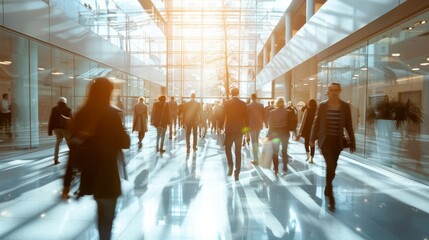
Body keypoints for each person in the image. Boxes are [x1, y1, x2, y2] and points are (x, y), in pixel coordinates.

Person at [62, 77, 130, 240]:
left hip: (90, 173)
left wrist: (67, 182)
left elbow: (74, 148)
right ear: (108, 92)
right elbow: (125, 142)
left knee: (101, 213)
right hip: (107, 172)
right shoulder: (111, 114)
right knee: (108, 218)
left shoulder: (82, 113)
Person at [310, 82, 356, 210]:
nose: (334, 92)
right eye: (331, 90)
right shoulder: (323, 106)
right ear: (328, 92)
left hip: (337, 141)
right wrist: (312, 139)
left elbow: (349, 125)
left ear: (339, 91)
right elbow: (316, 122)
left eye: (336, 90)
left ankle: (328, 185)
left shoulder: (345, 106)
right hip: (325, 141)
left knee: (333, 166)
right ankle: (330, 194)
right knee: (330, 165)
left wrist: (353, 141)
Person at [220, 88, 249, 181]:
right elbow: (246, 119)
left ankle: (230, 165)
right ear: (238, 93)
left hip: (230, 130)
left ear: (231, 93)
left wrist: (220, 126)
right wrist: (246, 131)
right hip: (239, 131)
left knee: (227, 148)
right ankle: (237, 172)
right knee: (238, 151)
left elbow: (223, 115)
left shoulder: (227, 103)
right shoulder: (243, 104)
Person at [267, 97, 290, 175]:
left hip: (275, 134)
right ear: (284, 103)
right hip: (285, 133)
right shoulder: (288, 112)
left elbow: (270, 125)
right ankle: (285, 168)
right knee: (284, 151)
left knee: (275, 152)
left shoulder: (272, 112)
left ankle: (276, 169)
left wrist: (269, 135)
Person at [48, 97, 72, 165]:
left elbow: (51, 119)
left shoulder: (54, 109)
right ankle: (73, 159)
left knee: (57, 144)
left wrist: (50, 130)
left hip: (56, 129)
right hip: (65, 129)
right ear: (65, 102)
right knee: (69, 144)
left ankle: (56, 159)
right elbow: (71, 120)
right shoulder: (68, 109)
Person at [247, 93, 266, 165]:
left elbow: (246, 117)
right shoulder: (261, 105)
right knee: (256, 141)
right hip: (259, 125)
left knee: (253, 141)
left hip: (251, 126)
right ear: (256, 97)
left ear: (251, 98)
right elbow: (264, 116)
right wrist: (264, 123)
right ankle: (256, 157)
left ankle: (256, 159)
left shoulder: (248, 106)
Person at [297, 99, 317, 163]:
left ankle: (307, 155)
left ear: (309, 104)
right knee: (312, 143)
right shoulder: (317, 111)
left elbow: (303, 122)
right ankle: (311, 158)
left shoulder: (306, 110)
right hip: (314, 130)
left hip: (307, 130)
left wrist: (299, 133)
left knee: (306, 142)